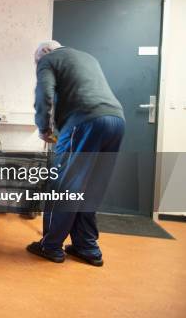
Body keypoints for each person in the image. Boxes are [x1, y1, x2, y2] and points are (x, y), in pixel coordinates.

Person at [26, 40, 125, 267]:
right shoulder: (88, 57)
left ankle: (50, 245)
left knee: (63, 186)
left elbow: (45, 96)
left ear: (44, 53)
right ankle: (87, 247)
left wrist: (44, 129)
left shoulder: (48, 60)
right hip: (116, 121)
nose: (37, 65)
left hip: (84, 122)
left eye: (36, 62)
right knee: (91, 187)